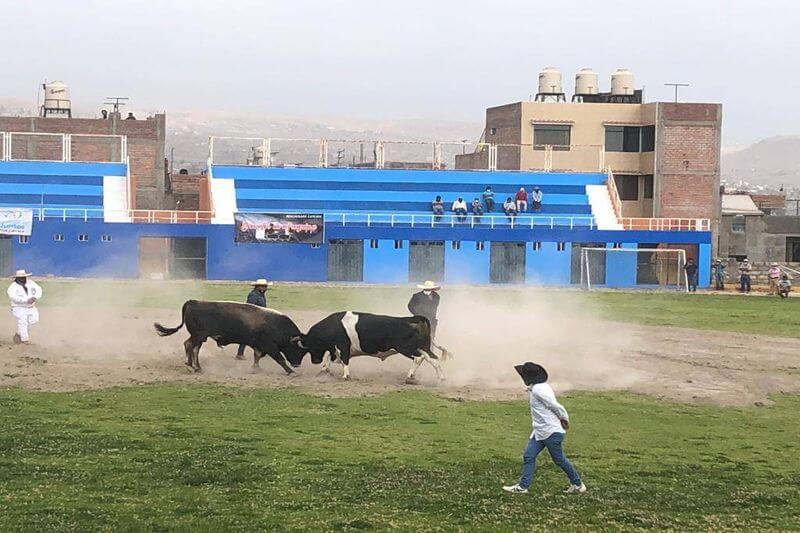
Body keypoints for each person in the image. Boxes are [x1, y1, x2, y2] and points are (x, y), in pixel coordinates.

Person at [503, 362, 586, 495]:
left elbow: (555, 406)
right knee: (529, 456)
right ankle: (523, 487)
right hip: (540, 431)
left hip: (550, 432)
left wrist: (564, 419)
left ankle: (577, 484)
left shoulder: (539, 390)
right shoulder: (538, 387)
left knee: (559, 460)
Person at [236, 279, 271, 359]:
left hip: (259, 318)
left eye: (266, 286)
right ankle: (240, 354)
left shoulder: (260, 294)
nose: (266, 288)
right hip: (253, 319)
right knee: (246, 336)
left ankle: (262, 352)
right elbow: (250, 307)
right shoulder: (254, 295)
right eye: (264, 286)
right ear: (259, 287)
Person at [7, 269, 43, 345]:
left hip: (31, 306)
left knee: (34, 320)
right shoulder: (12, 287)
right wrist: (26, 300)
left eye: (24, 277)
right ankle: (24, 340)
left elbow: (39, 290)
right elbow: (13, 297)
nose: (23, 278)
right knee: (22, 322)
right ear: (17, 278)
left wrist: (35, 297)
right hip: (18, 307)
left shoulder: (31, 283)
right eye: (21, 277)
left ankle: (19, 334)